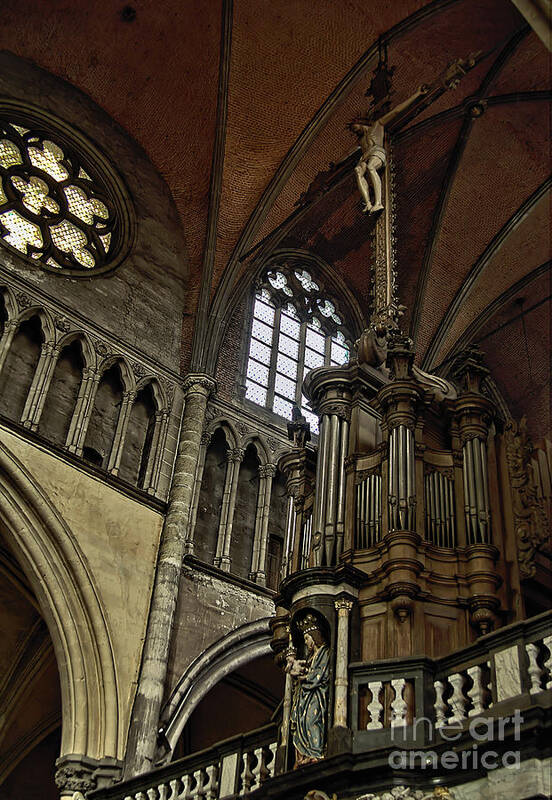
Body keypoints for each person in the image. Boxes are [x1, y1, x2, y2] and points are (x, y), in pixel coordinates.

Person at [350, 85, 429, 213]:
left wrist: (417, 94)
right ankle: (368, 204)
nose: (355, 131)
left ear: (360, 122)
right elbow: (349, 153)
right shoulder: (361, 141)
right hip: (365, 155)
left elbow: (396, 111)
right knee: (358, 170)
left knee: (371, 167)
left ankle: (378, 203)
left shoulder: (377, 125)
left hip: (377, 151)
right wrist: (336, 164)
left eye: (355, 127)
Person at [287, 614, 330, 767]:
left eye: (307, 638)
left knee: (312, 720)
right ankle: (304, 755)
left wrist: (304, 677)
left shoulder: (325, 652)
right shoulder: (312, 656)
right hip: (305, 695)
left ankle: (315, 752)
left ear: (315, 637)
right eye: (304, 639)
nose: (306, 643)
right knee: (303, 722)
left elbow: (320, 675)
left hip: (316, 695)